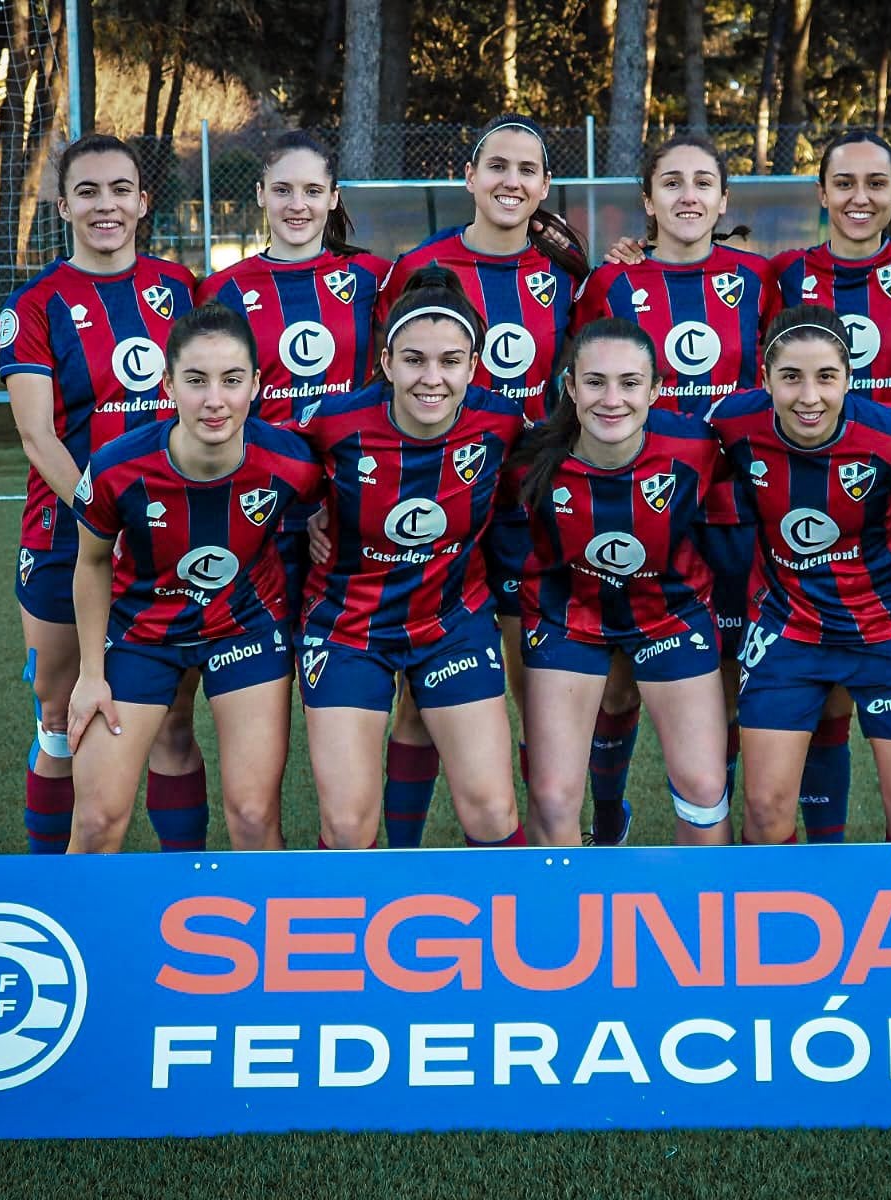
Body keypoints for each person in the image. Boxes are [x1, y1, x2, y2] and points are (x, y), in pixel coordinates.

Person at [371, 113, 589, 847]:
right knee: (418, 692)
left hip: (530, 502)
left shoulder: (566, 270)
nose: (511, 181)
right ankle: (403, 852)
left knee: (534, 676)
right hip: (436, 501)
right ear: (469, 176)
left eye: (527, 170)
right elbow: (387, 377)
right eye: (496, 166)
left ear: (545, 186)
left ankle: (534, 843)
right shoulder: (421, 267)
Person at [0, 133, 208, 855]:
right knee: (59, 715)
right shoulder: (36, 303)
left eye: (120, 189)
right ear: (63, 205)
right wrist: (106, 518)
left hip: (174, 542)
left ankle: (184, 887)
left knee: (172, 721)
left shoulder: (181, 289)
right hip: (65, 537)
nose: (105, 205)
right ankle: (51, 892)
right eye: (87, 191)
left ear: (143, 202)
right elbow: (38, 438)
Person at [571, 133, 777, 845]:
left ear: (724, 200)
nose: (688, 195)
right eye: (671, 183)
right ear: (648, 199)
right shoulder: (611, 283)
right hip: (628, 512)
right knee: (621, 677)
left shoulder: (759, 279)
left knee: (727, 678)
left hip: (732, 513)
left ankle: (719, 816)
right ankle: (606, 813)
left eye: (702, 182)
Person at [66, 304, 324, 852]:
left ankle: (259, 933)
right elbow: (90, 563)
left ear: (256, 384)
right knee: (96, 824)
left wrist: (327, 516)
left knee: (253, 818)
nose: (214, 400)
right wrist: (91, 674)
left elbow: (342, 498)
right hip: (143, 634)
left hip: (245, 629)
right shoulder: (116, 467)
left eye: (232, 381)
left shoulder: (293, 462)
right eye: (195, 381)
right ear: (167, 384)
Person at [295, 266, 527, 850]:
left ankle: (512, 935)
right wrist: (301, 512)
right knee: (348, 829)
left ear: (473, 367)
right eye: (414, 360)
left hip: (451, 622)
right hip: (347, 628)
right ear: (386, 362)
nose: (432, 378)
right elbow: (262, 459)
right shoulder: (334, 422)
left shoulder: (501, 422)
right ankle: (355, 931)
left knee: (494, 812)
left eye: (450, 362)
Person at [709, 306, 891, 844]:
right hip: (787, 630)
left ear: (849, 378)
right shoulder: (734, 426)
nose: (809, 396)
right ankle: (780, 921)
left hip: (887, 633)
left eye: (826, 377)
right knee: (765, 812)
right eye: (791, 377)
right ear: (765, 379)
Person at [511, 319, 731, 846]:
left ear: (656, 390)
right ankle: (566, 919)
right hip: (566, 616)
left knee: (704, 786)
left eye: (631, 383)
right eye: (595, 382)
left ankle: (700, 915)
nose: (612, 399)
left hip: (669, 613)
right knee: (554, 801)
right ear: (569, 387)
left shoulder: (698, 446)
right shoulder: (529, 456)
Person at [197, 131, 391, 622]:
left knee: (357, 663)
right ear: (261, 195)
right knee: (262, 665)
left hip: (352, 503)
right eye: (282, 190)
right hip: (257, 505)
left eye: (311, 190)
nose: (297, 204)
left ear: (333, 197)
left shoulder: (376, 277)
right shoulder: (222, 290)